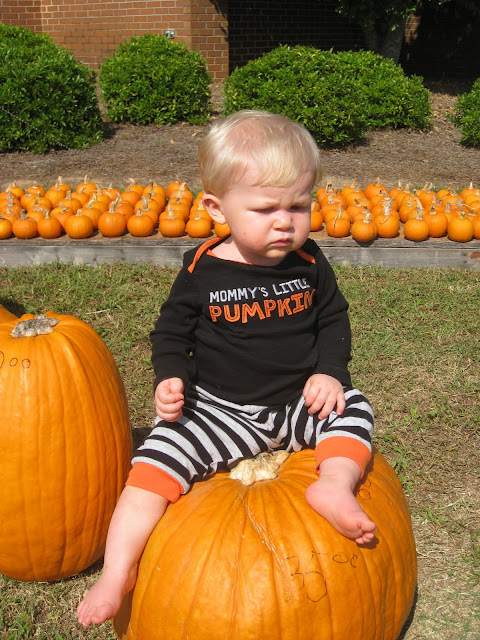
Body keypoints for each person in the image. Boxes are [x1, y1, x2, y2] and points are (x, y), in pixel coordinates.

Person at [77, 110, 375, 628]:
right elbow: (171, 333)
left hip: (295, 402)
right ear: (217, 209)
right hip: (219, 409)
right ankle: (118, 570)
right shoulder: (202, 270)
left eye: (298, 206)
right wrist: (170, 376)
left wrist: (330, 372)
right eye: (265, 208)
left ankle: (333, 482)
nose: (285, 221)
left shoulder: (309, 263)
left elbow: (333, 319)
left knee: (353, 409)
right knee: (153, 464)